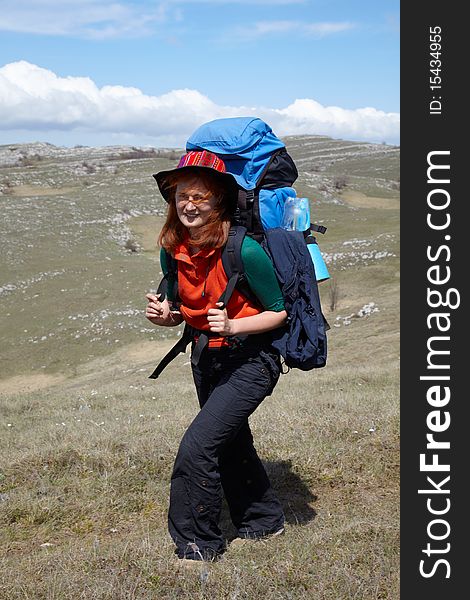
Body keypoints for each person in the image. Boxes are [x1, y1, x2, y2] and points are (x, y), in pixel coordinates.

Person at [145, 150, 287, 562]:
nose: (189, 205)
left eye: (200, 197)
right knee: (229, 441)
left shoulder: (243, 251)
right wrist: (163, 316)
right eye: (182, 196)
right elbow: (177, 312)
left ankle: (198, 545)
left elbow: (279, 311)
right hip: (206, 359)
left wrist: (234, 326)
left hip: (251, 361)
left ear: (220, 201)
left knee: (198, 446)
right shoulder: (172, 250)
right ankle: (263, 519)